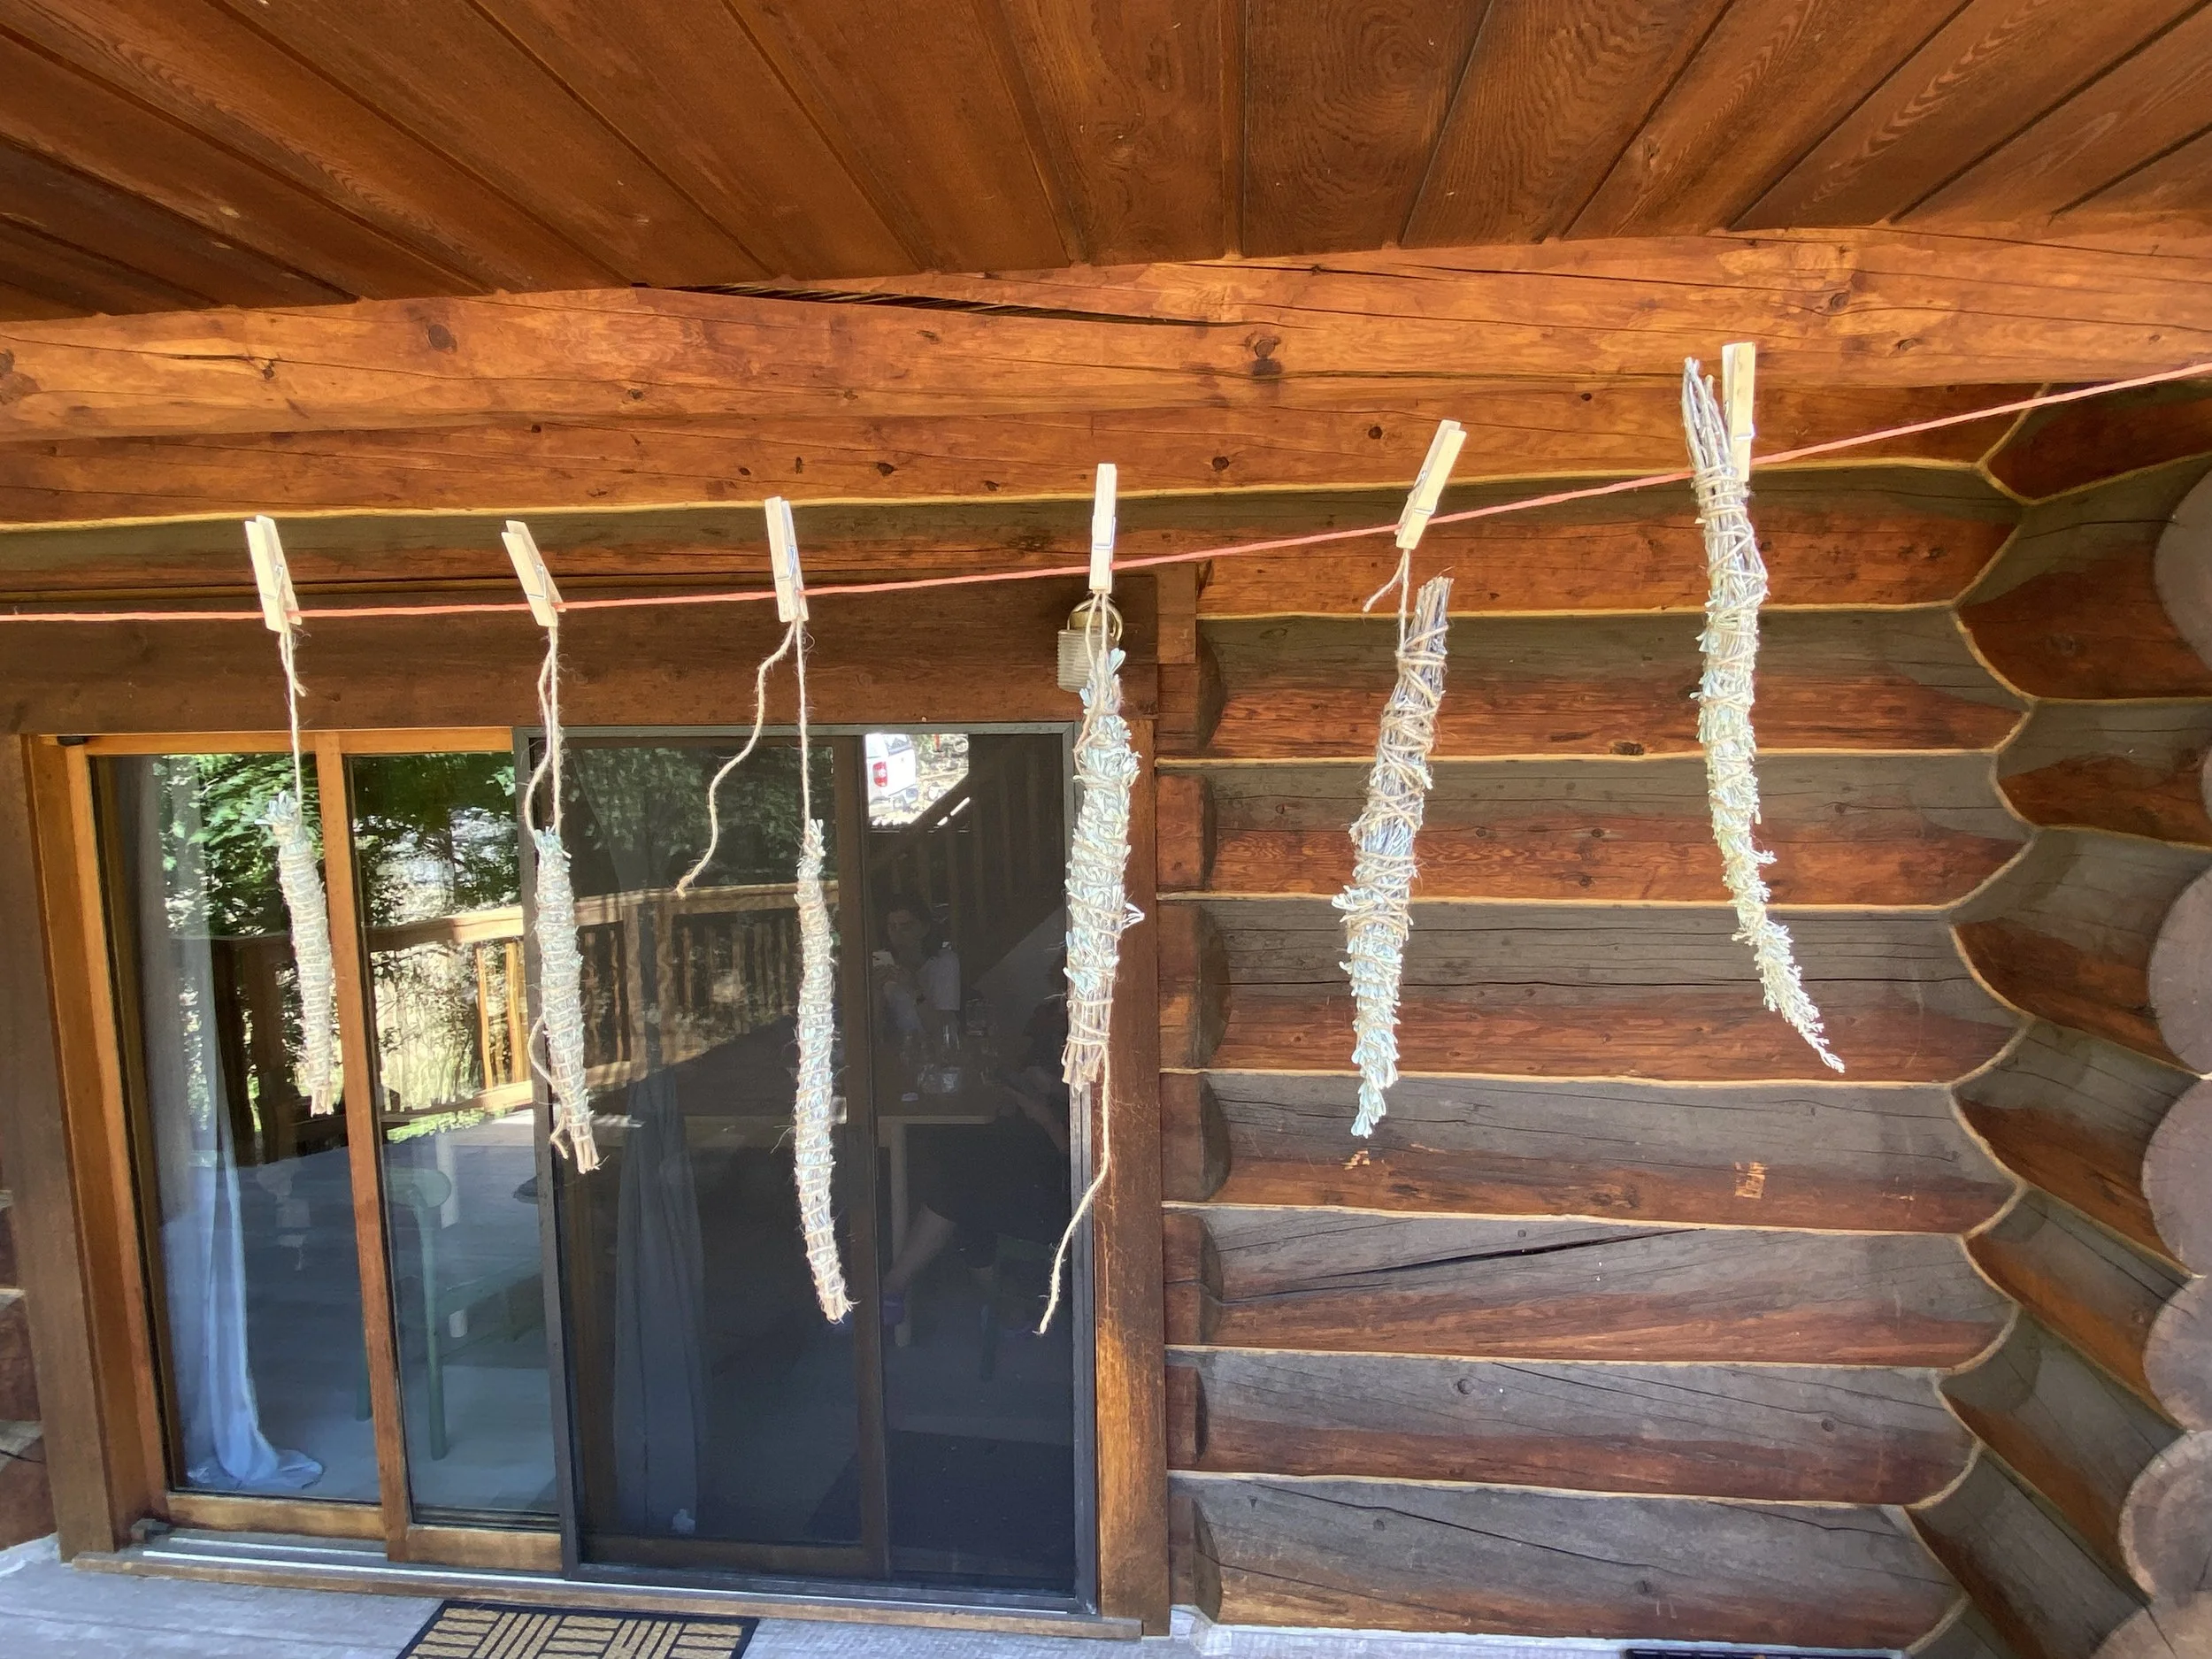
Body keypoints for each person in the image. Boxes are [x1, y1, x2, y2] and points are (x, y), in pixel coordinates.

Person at [879, 969, 1071, 1326]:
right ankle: (1001, 1305)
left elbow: (1075, 1154)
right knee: (959, 1156)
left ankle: (898, 1286)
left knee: (958, 1186)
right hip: (1037, 1154)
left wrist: (1042, 1112)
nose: (1066, 996)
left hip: (1065, 1189)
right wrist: (1034, 1090)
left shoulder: (1104, 1046)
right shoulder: (1053, 1019)